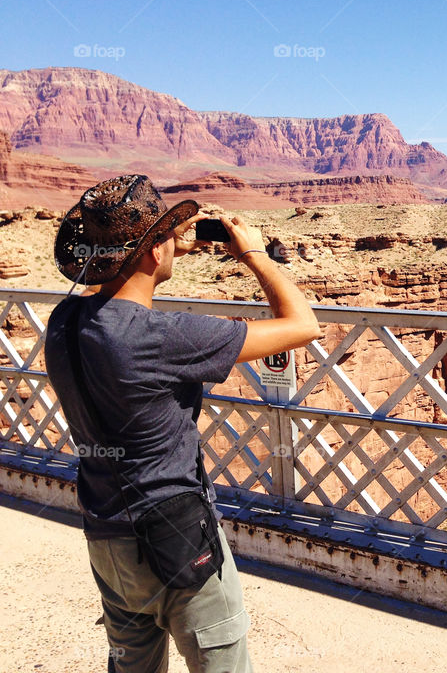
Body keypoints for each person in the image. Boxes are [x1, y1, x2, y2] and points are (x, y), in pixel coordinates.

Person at [43, 174, 321, 672]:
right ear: (152, 253)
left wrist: (159, 251)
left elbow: (115, 289)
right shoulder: (165, 336)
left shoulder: (63, 320)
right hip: (179, 542)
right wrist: (254, 255)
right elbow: (303, 324)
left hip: (107, 538)